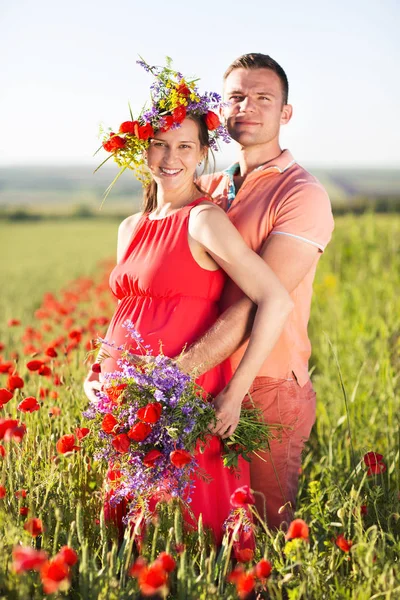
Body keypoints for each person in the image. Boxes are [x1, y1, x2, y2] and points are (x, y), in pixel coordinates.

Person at [84, 61, 293, 544]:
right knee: (133, 544)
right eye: (160, 144)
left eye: (184, 146)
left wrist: (236, 391)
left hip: (184, 402)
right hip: (126, 402)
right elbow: (125, 313)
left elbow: (274, 300)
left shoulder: (202, 220)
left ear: (202, 154)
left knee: (190, 540)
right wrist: (95, 372)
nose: (170, 157)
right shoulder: (130, 227)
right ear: (145, 151)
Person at [176, 53, 335, 529]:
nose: (247, 107)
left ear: (285, 113)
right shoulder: (207, 187)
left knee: (269, 533)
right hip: (206, 383)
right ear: (220, 112)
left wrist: (171, 375)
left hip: (264, 387)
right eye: (236, 97)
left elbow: (254, 305)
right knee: (209, 532)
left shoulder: (301, 194)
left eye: (263, 98)